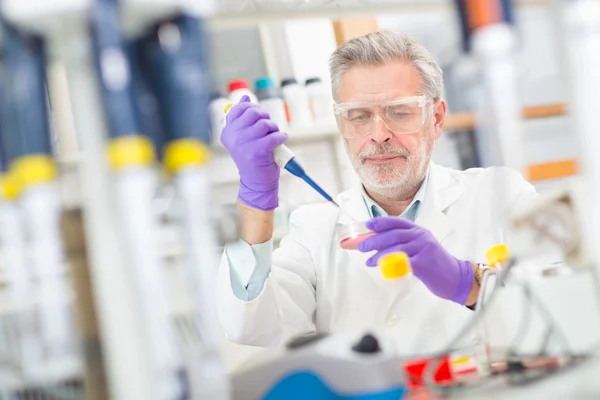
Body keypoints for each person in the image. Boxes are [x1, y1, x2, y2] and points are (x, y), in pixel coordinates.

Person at [215, 30, 538, 355]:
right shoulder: (314, 229)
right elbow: (251, 324)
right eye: (359, 116)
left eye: (399, 112)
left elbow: (567, 304)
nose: (379, 135)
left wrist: (466, 282)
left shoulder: (501, 195)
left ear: (436, 119)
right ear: (342, 124)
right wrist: (254, 196)